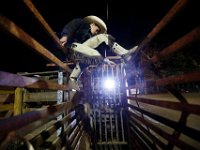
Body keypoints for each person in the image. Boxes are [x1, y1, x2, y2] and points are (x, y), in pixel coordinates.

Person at [59, 15, 137, 91]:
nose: (96, 33)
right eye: (97, 30)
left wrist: (105, 60)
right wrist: (65, 36)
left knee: (102, 40)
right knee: (94, 53)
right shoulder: (82, 23)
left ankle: (72, 80)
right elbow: (71, 26)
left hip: (79, 48)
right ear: (92, 24)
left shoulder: (89, 37)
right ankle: (72, 79)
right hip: (72, 46)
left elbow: (87, 50)